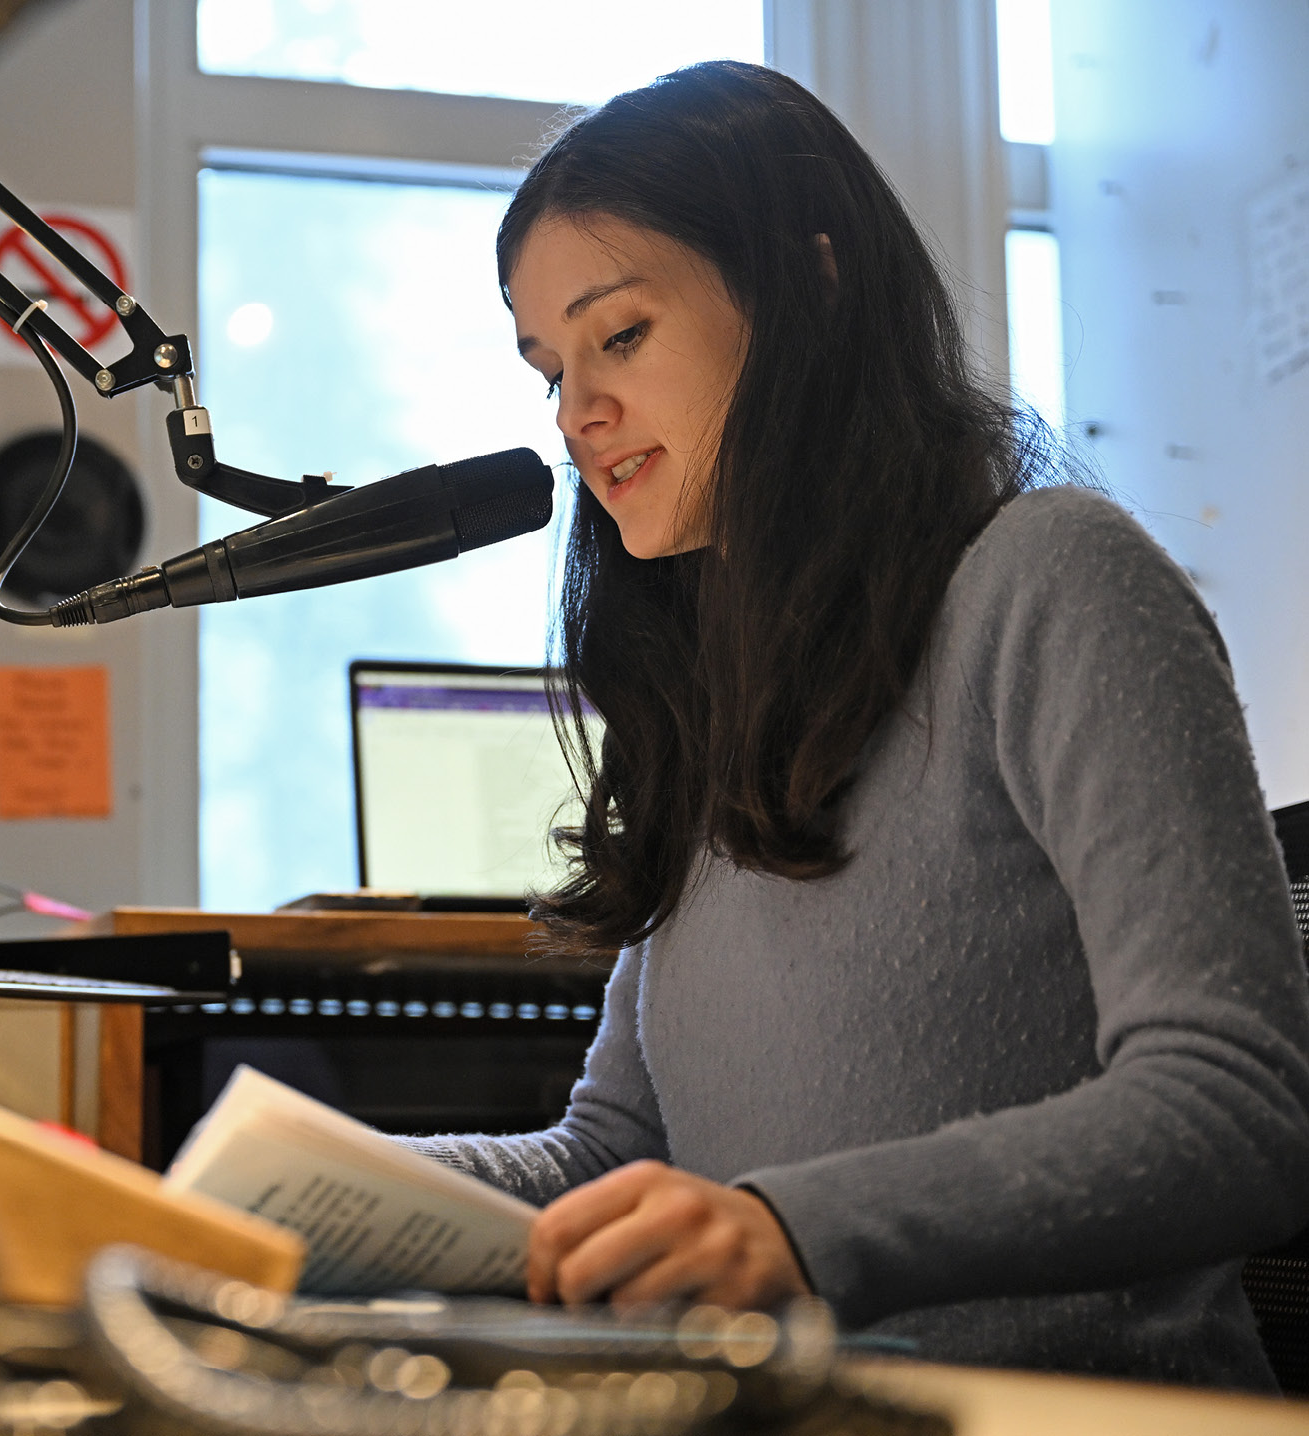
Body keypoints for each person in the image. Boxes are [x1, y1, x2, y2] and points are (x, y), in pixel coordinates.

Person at [395, 60, 1309, 1389]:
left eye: (621, 334)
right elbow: (616, 1160)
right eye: (546, 366)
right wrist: (273, 1189)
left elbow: (1236, 1114)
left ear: (809, 285)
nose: (571, 414)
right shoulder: (719, 694)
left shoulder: (1052, 579)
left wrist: (790, 1229)